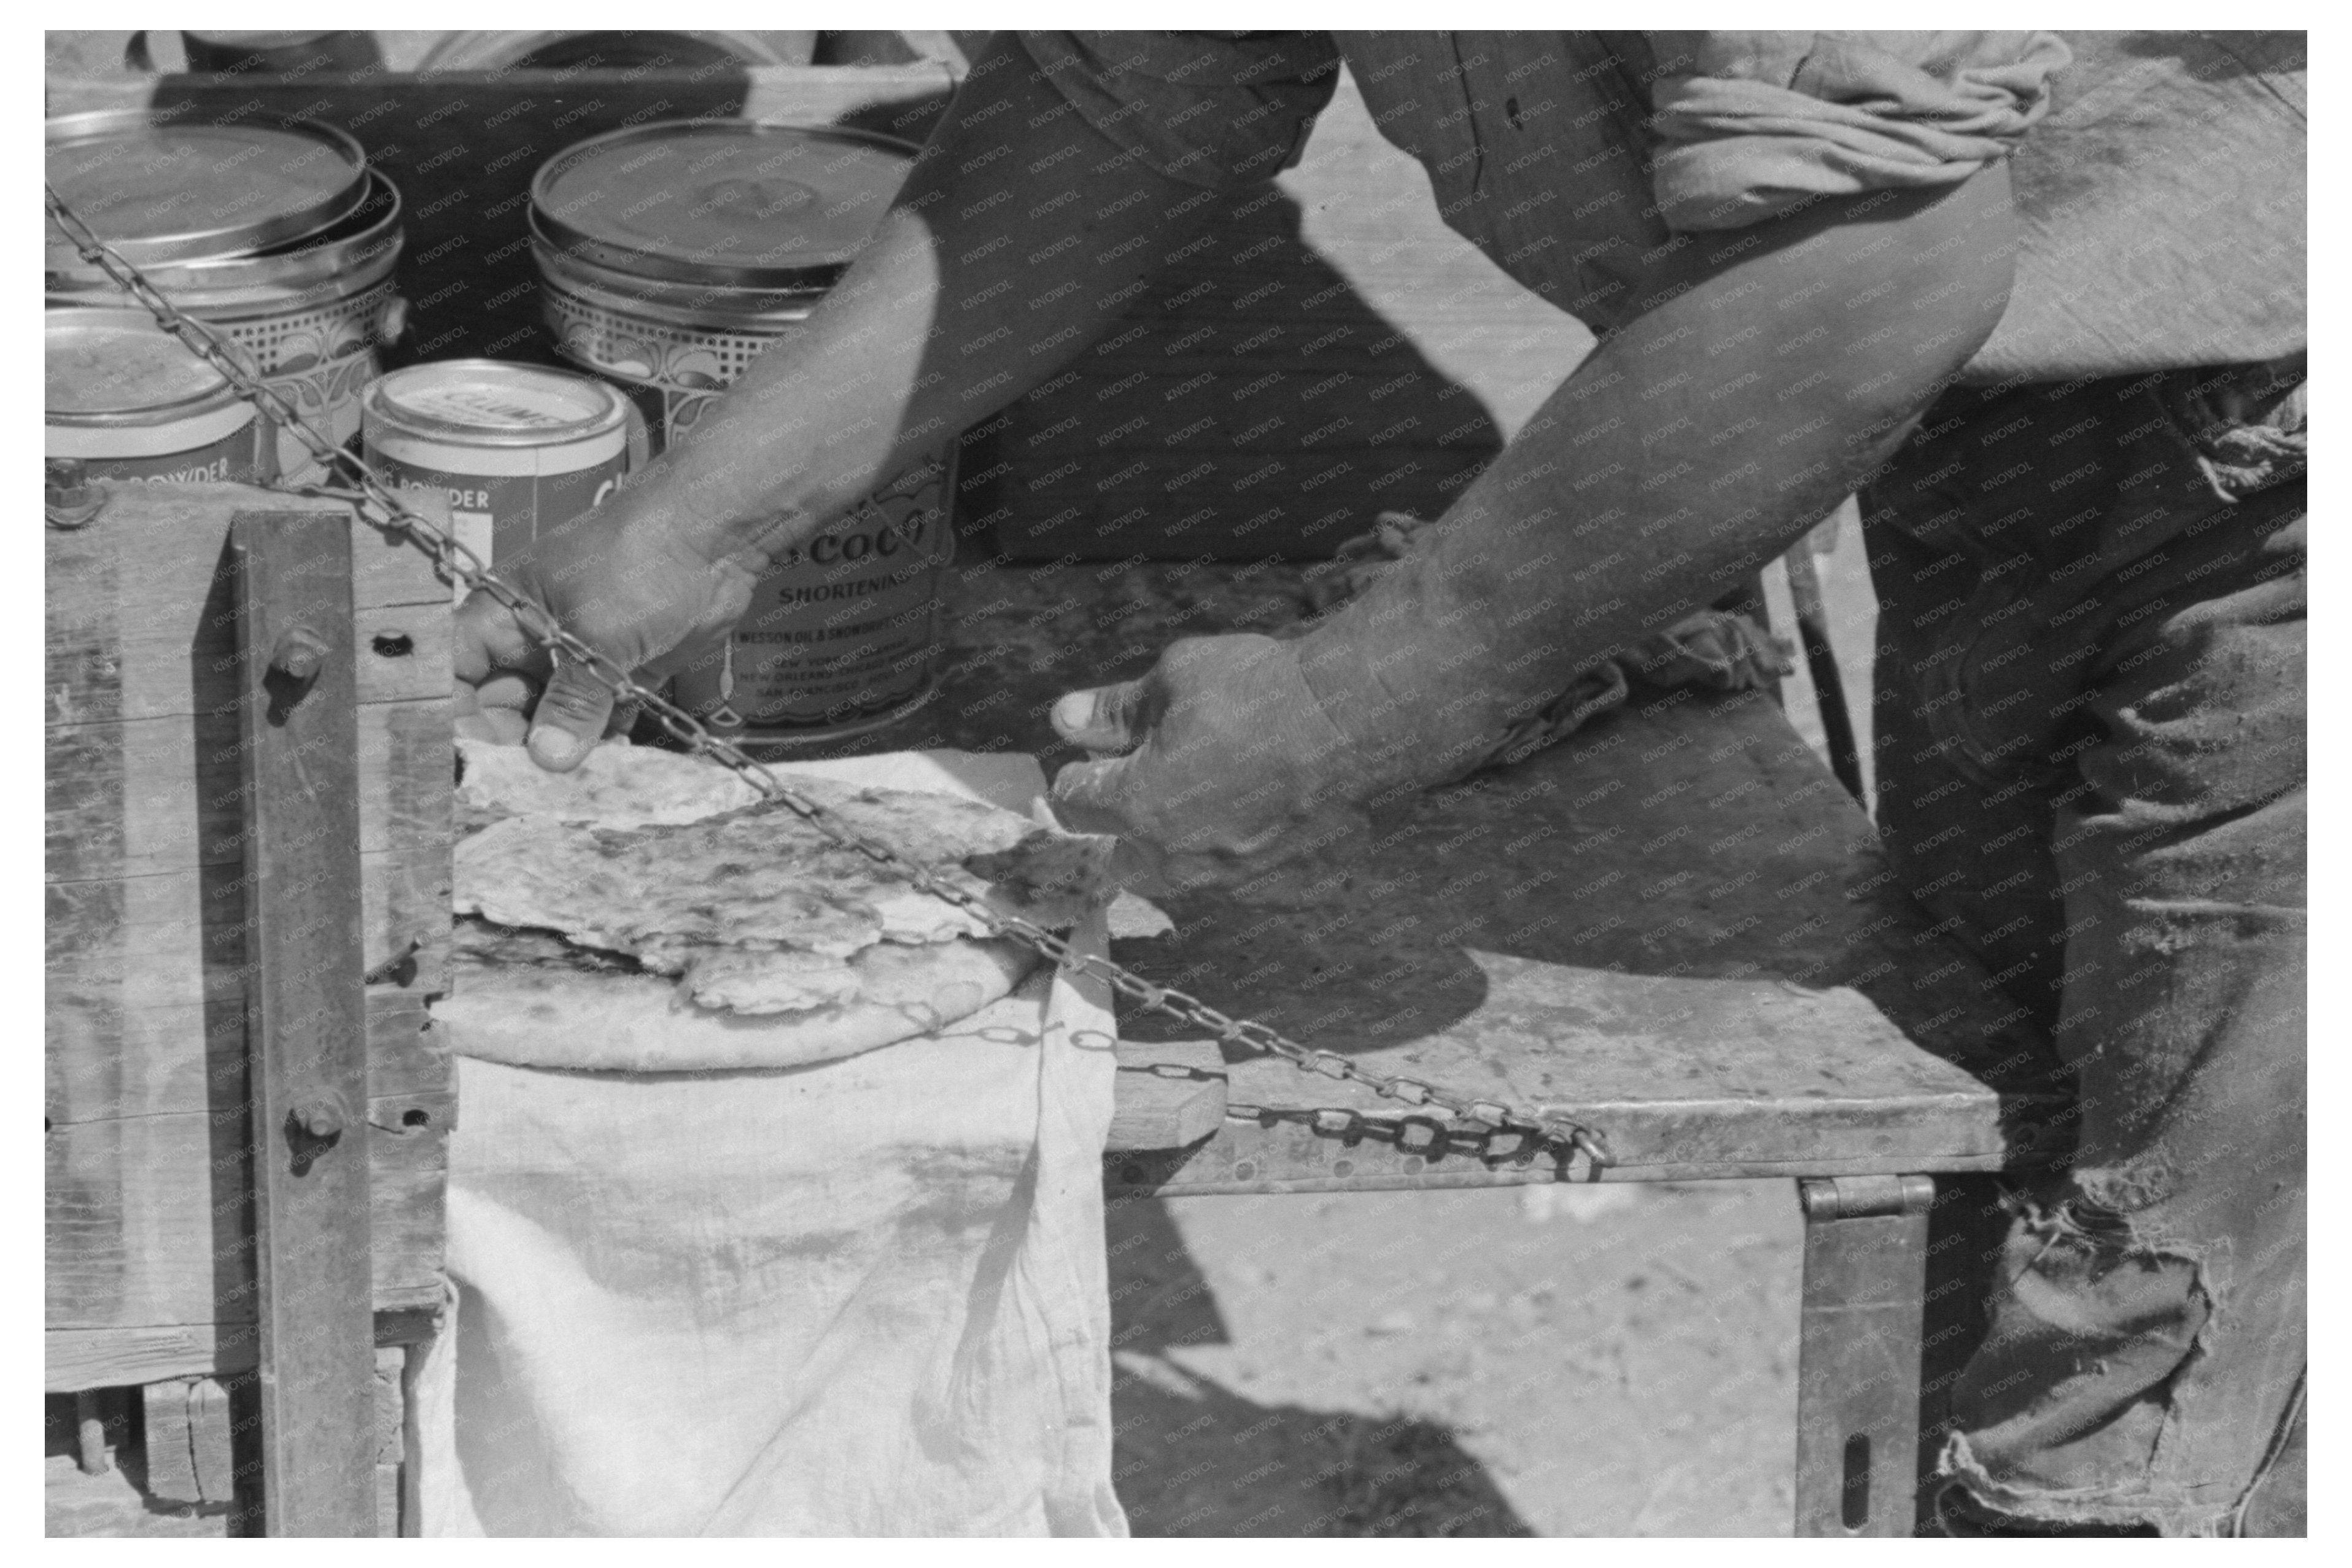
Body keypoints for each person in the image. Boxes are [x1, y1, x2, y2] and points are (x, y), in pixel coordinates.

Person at [455, 32, 2304, 1535]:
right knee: (2027, 1228)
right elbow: (1125, 90)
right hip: (1980, 441)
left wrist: (1361, 704)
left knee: (2148, 1375)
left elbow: (1875, 263)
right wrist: (703, 517)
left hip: (2268, 460)